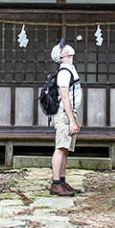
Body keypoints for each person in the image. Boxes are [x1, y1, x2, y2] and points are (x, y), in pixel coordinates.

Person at [50, 40, 82, 196]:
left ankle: (62, 181)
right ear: (62, 55)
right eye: (63, 48)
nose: (67, 47)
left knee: (66, 149)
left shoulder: (70, 69)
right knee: (61, 147)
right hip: (64, 114)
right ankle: (56, 183)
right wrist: (71, 120)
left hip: (69, 113)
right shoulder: (64, 72)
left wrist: (75, 119)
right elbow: (64, 97)